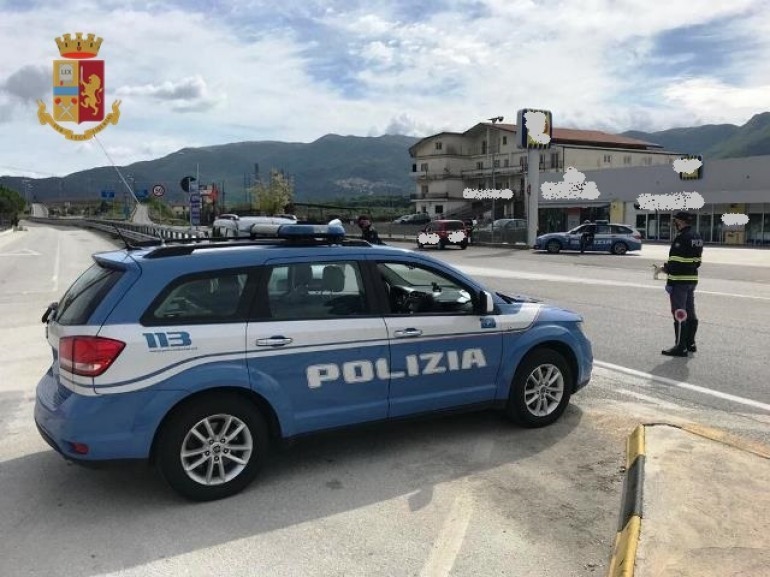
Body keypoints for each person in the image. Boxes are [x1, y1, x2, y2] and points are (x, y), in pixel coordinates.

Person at [661, 210, 703, 357]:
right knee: (690, 311)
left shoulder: (681, 238)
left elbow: (676, 262)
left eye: (675, 220)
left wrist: (668, 276)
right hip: (692, 280)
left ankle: (680, 347)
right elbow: (697, 262)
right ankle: (690, 343)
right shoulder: (696, 236)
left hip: (679, 281)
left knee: (679, 313)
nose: (674, 223)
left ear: (680, 221)